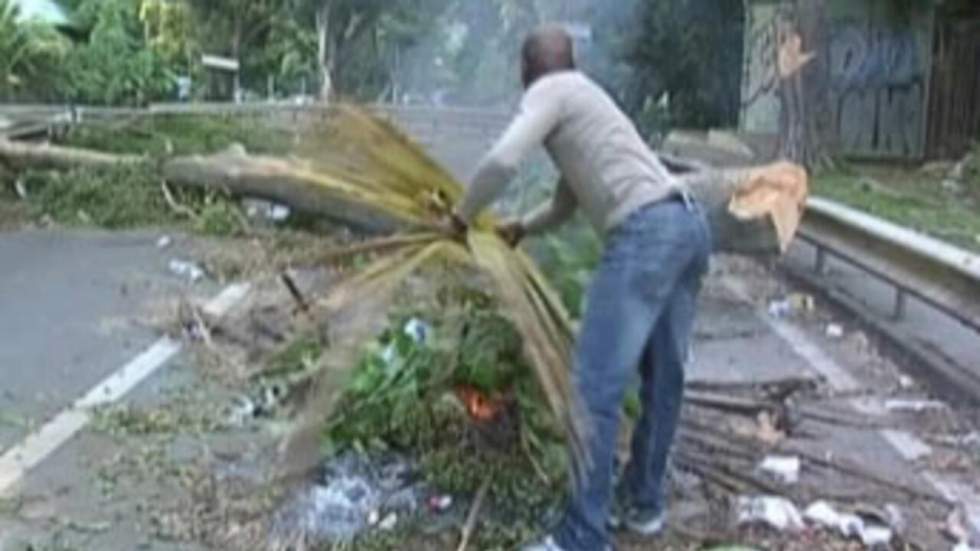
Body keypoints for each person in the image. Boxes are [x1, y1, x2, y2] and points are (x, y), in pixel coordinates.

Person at [446, 24, 713, 551]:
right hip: (688, 226)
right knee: (663, 379)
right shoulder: (589, 99)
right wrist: (522, 226)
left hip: (645, 236)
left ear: (527, 71)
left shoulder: (551, 91)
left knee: (593, 388)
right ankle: (643, 504)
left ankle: (581, 538)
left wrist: (460, 217)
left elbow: (502, 161)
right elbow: (569, 201)